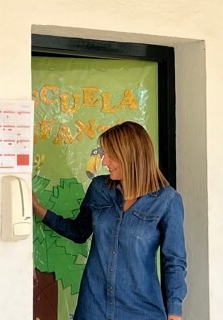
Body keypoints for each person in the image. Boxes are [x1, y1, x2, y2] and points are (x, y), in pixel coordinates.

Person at [32, 121, 187, 320]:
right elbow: (78, 232)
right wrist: (39, 209)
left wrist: (174, 312)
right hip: (93, 309)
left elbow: (174, 261)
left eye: (110, 155)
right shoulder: (99, 188)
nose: (104, 161)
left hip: (141, 311)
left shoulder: (167, 201)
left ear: (130, 157)